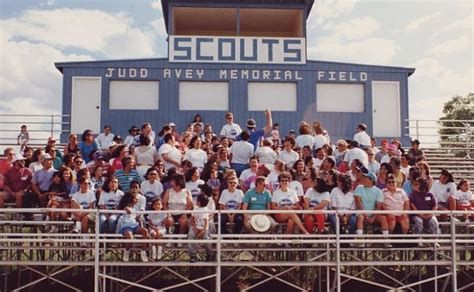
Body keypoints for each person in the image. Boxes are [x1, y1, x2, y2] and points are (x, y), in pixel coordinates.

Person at [354, 167, 391, 247]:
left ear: (371, 180)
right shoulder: (359, 188)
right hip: (361, 213)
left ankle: (386, 240)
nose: (363, 179)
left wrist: (373, 217)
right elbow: (358, 203)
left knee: (383, 219)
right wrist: (366, 216)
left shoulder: (378, 191)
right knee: (360, 217)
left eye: (366, 178)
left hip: (373, 214)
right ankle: (360, 240)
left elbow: (378, 206)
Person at [117, 191, 149, 262]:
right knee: (130, 239)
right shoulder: (125, 207)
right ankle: (127, 251)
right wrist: (127, 209)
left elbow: (137, 218)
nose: (137, 200)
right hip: (126, 226)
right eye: (135, 199)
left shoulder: (135, 209)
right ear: (130, 199)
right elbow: (125, 209)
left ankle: (143, 252)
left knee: (145, 231)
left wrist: (139, 222)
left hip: (134, 226)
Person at [410, 177, 439, 243]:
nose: (414, 186)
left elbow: (435, 206)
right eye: (414, 184)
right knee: (419, 221)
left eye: (417, 184)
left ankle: (434, 240)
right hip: (417, 215)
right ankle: (418, 239)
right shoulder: (413, 195)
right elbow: (412, 206)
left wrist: (431, 214)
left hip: (429, 214)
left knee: (434, 222)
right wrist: (421, 215)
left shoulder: (430, 194)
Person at [188, 194, 214, 263]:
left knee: (206, 238)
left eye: (197, 200)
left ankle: (209, 254)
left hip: (204, 228)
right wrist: (195, 227)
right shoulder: (195, 209)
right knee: (190, 235)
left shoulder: (205, 210)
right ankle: (193, 255)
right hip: (196, 226)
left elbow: (206, 223)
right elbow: (192, 219)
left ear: (200, 202)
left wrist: (202, 232)